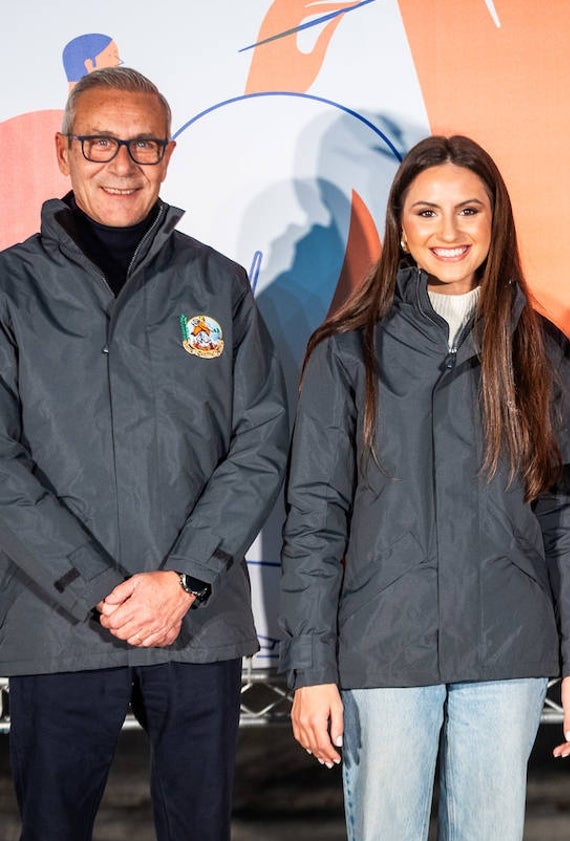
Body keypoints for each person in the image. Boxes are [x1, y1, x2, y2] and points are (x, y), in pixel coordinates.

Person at [279, 134, 570, 841]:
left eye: (469, 210)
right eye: (427, 213)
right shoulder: (347, 352)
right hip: (386, 651)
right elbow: (313, 522)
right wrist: (311, 668)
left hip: (507, 652)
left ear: (497, 221)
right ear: (400, 226)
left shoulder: (540, 351)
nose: (449, 232)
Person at [0, 67, 290, 840]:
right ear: (63, 150)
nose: (122, 163)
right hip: (57, 624)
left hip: (192, 625)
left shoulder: (217, 284)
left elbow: (261, 439)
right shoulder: (8, 290)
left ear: (168, 153)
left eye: (144, 144)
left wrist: (183, 580)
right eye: (100, 140)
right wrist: (100, 588)